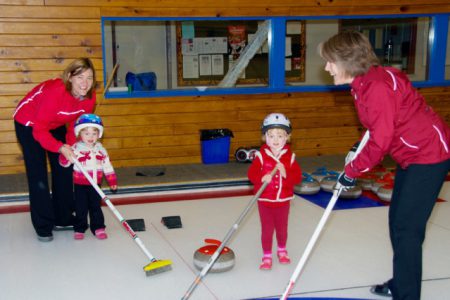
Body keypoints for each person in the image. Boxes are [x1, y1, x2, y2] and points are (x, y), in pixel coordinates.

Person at [319, 31, 450, 299]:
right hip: (410, 154)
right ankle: (401, 283)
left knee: (407, 229)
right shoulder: (365, 82)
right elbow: (377, 126)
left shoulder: (375, 87)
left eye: (330, 61)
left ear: (347, 60)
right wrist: (359, 148)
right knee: (397, 223)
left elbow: (381, 140)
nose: (326, 67)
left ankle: (407, 294)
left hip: (428, 155)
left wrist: (352, 172)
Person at [13, 58, 97, 242]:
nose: (85, 83)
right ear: (69, 77)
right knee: (38, 174)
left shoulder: (90, 97)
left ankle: (63, 217)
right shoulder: (56, 92)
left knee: (64, 167)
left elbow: (75, 124)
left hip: (55, 122)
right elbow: (39, 130)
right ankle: (43, 224)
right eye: (80, 77)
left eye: (89, 78)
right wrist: (59, 146)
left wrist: (69, 146)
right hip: (29, 122)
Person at [248, 113, 302, 270]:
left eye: (280, 135)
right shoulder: (260, 156)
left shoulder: (290, 157)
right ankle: (266, 255)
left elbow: (297, 177)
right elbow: (251, 174)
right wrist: (261, 177)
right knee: (267, 228)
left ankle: (281, 250)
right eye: (271, 136)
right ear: (265, 137)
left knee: (282, 227)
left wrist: (286, 174)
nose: (275, 140)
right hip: (265, 200)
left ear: (287, 137)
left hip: (283, 200)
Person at [59, 114, 117, 240]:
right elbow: (64, 164)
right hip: (80, 185)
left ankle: (98, 227)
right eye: (87, 133)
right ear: (80, 134)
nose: (91, 137)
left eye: (94, 133)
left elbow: (107, 166)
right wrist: (65, 156)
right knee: (81, 208)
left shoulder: (101, 150)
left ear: (99, 134)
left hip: (96, 184)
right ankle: (80, 228)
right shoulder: (75, 149)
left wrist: (112, 180)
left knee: (95, 206)